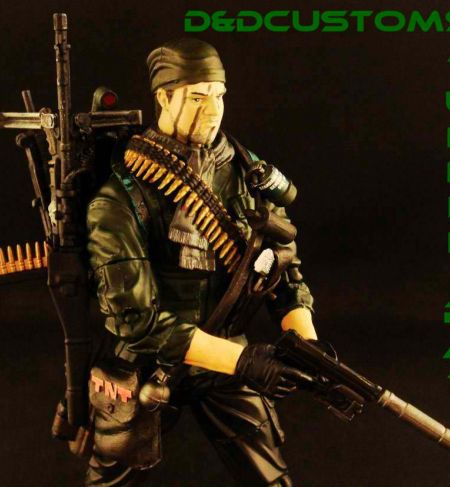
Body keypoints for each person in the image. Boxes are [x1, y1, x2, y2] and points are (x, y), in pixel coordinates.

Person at [85, 38, 316, 487]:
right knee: (111, 479)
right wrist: (247, 362)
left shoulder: (246, 176)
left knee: (272, 479)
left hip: (226, 356)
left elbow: (281, 272)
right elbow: (139, 321)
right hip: (147, 364)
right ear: (163, 98)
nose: (213, 111)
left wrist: (306, 343)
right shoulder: (120, 199)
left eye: (219, 96)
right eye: (196, 98)